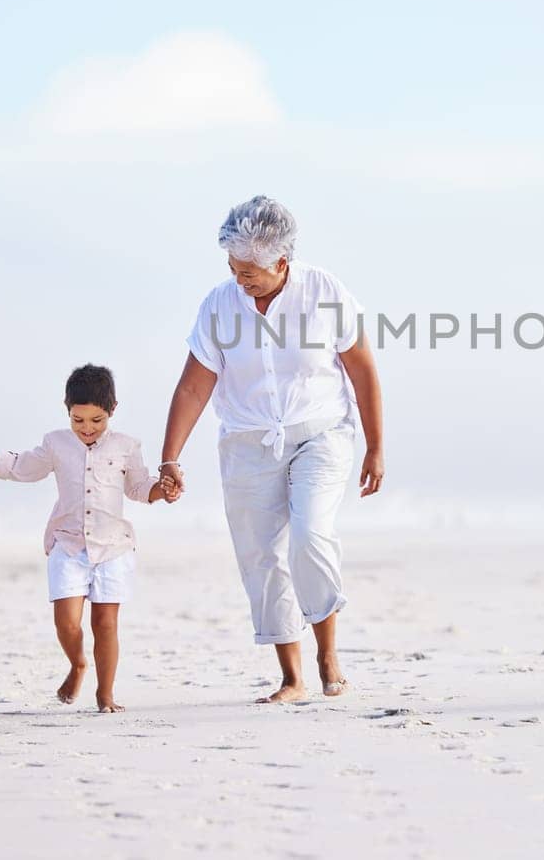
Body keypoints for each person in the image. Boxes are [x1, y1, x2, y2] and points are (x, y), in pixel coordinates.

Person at [157, 196, 385, 704]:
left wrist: (375, 448)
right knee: (260, 556)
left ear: (282, 261)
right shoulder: (219, 304)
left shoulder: (324, 291)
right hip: (246, 441)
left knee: (311, 532)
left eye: (251, 271)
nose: (241, 280)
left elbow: (362, 369)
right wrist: (170, 456)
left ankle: (328, 651)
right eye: (234, 269)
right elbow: (194, 386)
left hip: (321, 432)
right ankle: (292, 677)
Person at [0, 364, 176, 712]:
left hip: (113, 548)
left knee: (105, 624)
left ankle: (105, 695)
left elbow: (139, 488)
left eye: (97, 420)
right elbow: (22, 467)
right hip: (68, 544)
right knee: (67, 621)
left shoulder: (126, 446)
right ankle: (77, 663)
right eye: (78, 420)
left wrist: (161, 491)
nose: (87, 429)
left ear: (112, 411)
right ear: (67, 410)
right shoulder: (55, 444)